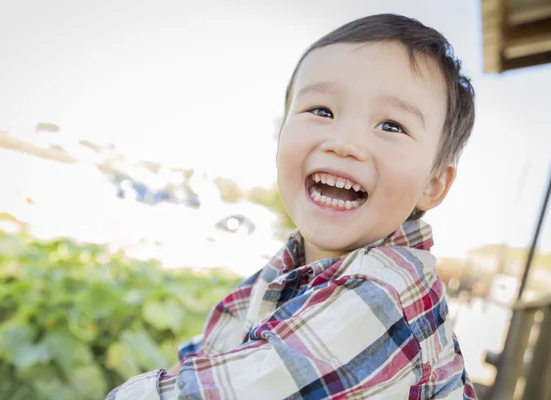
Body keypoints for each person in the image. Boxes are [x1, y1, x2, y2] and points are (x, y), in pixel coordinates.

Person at [106, 13, 477, 399]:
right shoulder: (288, 268)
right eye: (322, 111)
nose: (344, 142)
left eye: (391, 126)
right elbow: (211, 351)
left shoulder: (386, 291)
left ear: (433, 184)